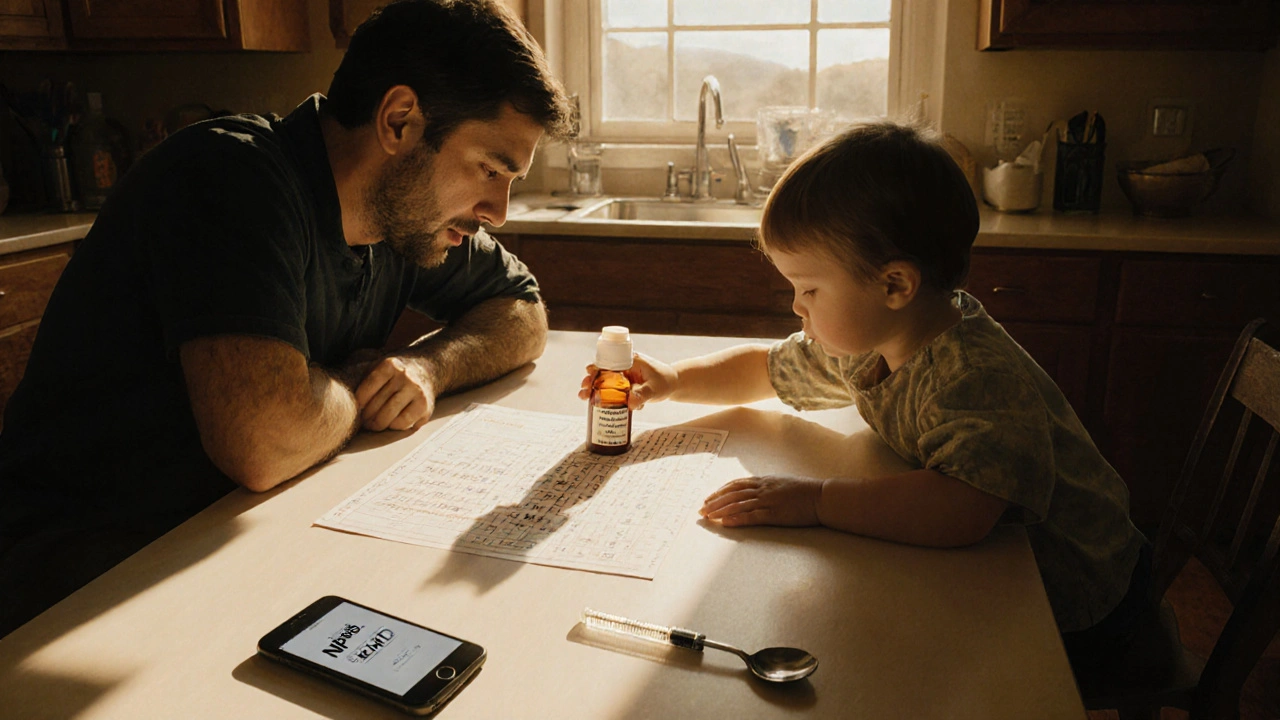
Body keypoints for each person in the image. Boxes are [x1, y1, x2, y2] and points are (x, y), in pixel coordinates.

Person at [0, 0, 573, 637]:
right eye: (489, 169)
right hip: (73, 579)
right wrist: (359, 387)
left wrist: (425, 367)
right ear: (400, 121)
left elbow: (524, 310)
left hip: (223, 541)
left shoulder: (406, 217)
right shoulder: (228, 176)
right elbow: (264, 442)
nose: (498, 209)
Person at [580, 121, 1162, 687]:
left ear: (893, 286)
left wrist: (817, 500)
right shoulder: (875, 341)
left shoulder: (974, 376)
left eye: (808, 289)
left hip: (1083, 602)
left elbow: (962, 508)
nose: (796, 308)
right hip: (996, 575)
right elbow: (767, 368)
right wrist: (674, 378)